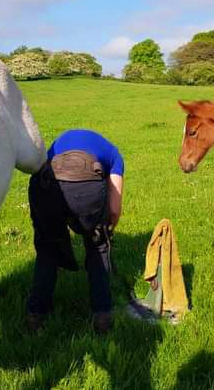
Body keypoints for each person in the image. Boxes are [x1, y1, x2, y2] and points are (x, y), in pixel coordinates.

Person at [26, 129, 124, 334]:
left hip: (46, 188)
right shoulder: (115, 156)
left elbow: (40, 174)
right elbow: (114, 210)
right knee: (98, 248)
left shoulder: (58, 143)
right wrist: (104, 231)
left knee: (47, 249)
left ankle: (36, 316)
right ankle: (102, 316)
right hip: (88, 188)